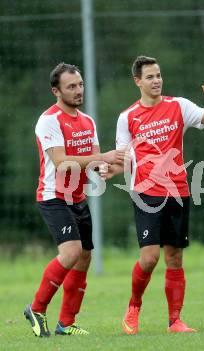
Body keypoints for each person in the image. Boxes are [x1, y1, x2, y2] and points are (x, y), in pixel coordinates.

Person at [102, 55, 204, 334]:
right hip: (145, 193)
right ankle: (133, 307)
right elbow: (124, 156)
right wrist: (113, 169)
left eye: (158, 75)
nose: (156, 81)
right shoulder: (127, 117)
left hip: (177, 191)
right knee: (149, 258)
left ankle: (175, 321)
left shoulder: (178, 106)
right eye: (149, 77)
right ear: (138, 81)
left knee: (175, 257)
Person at [24, 63, 121, 337]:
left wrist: (107, 168)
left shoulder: (87, 121)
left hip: (77, 197)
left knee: (84, 257)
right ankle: (36, 307)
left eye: (80, 85)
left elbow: (93, 163)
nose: (79, 91)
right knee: (71, 252)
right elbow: (62, 163)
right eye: (71, 87)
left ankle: (65, 324)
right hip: (53, 196)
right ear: (56, 91)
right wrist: (103, 158)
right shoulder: (49, 120)